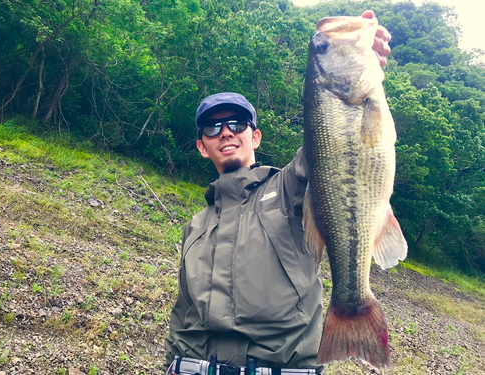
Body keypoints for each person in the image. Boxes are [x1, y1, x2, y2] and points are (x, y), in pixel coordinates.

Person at [164, 11, 392, 375]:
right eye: (213, 126)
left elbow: (328, 149)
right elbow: (182, 312)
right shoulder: (195, 225)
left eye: (237, 123)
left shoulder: (287, 189)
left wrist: (363, 61)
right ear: (201, 146)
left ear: (254, 137)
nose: (226, 132)